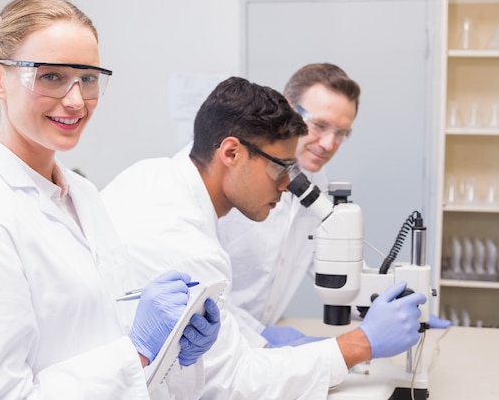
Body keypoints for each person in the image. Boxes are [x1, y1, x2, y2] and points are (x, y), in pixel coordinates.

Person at [0, 0, 220, 400]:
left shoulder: (82, 195)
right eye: (50, 76)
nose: (76, 99)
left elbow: (104, 331)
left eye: (87, 78)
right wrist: (137, 351)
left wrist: (172, 346)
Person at [101, 76, 427, 399]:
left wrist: (257, 337)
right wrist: (361, 344)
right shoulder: (186, 243)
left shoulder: (152, 174)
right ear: (231, 153)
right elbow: (236, 383)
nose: (287, 184)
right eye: (280, 168)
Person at [218, 63, 450, 349]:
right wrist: (255, 334)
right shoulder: (236, 177)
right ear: (287, 109)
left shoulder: (316, 180)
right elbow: (200, 287)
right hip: (219, 341)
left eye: (342, 133)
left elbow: (337, 266)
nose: (329, 143)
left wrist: (391, 299)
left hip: (262, 349)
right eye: (320, 126)